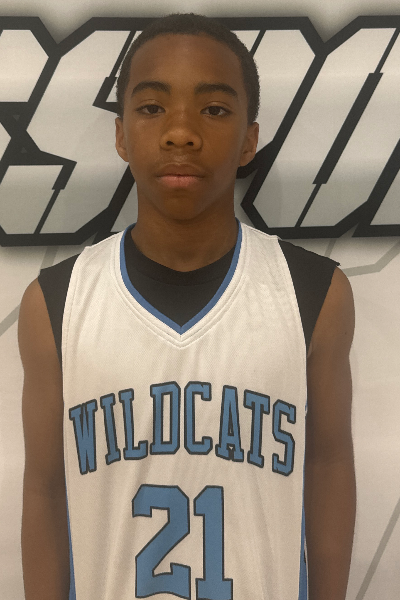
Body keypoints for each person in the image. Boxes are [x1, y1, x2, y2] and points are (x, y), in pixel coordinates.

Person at [19, 12, 356, 600]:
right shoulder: (56, 303)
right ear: (121, 134)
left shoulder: (315, 292)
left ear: (250, 138)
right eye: (152, 107)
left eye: (214, 109)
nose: (181, 132)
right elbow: (45, 492)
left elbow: (328, 467)